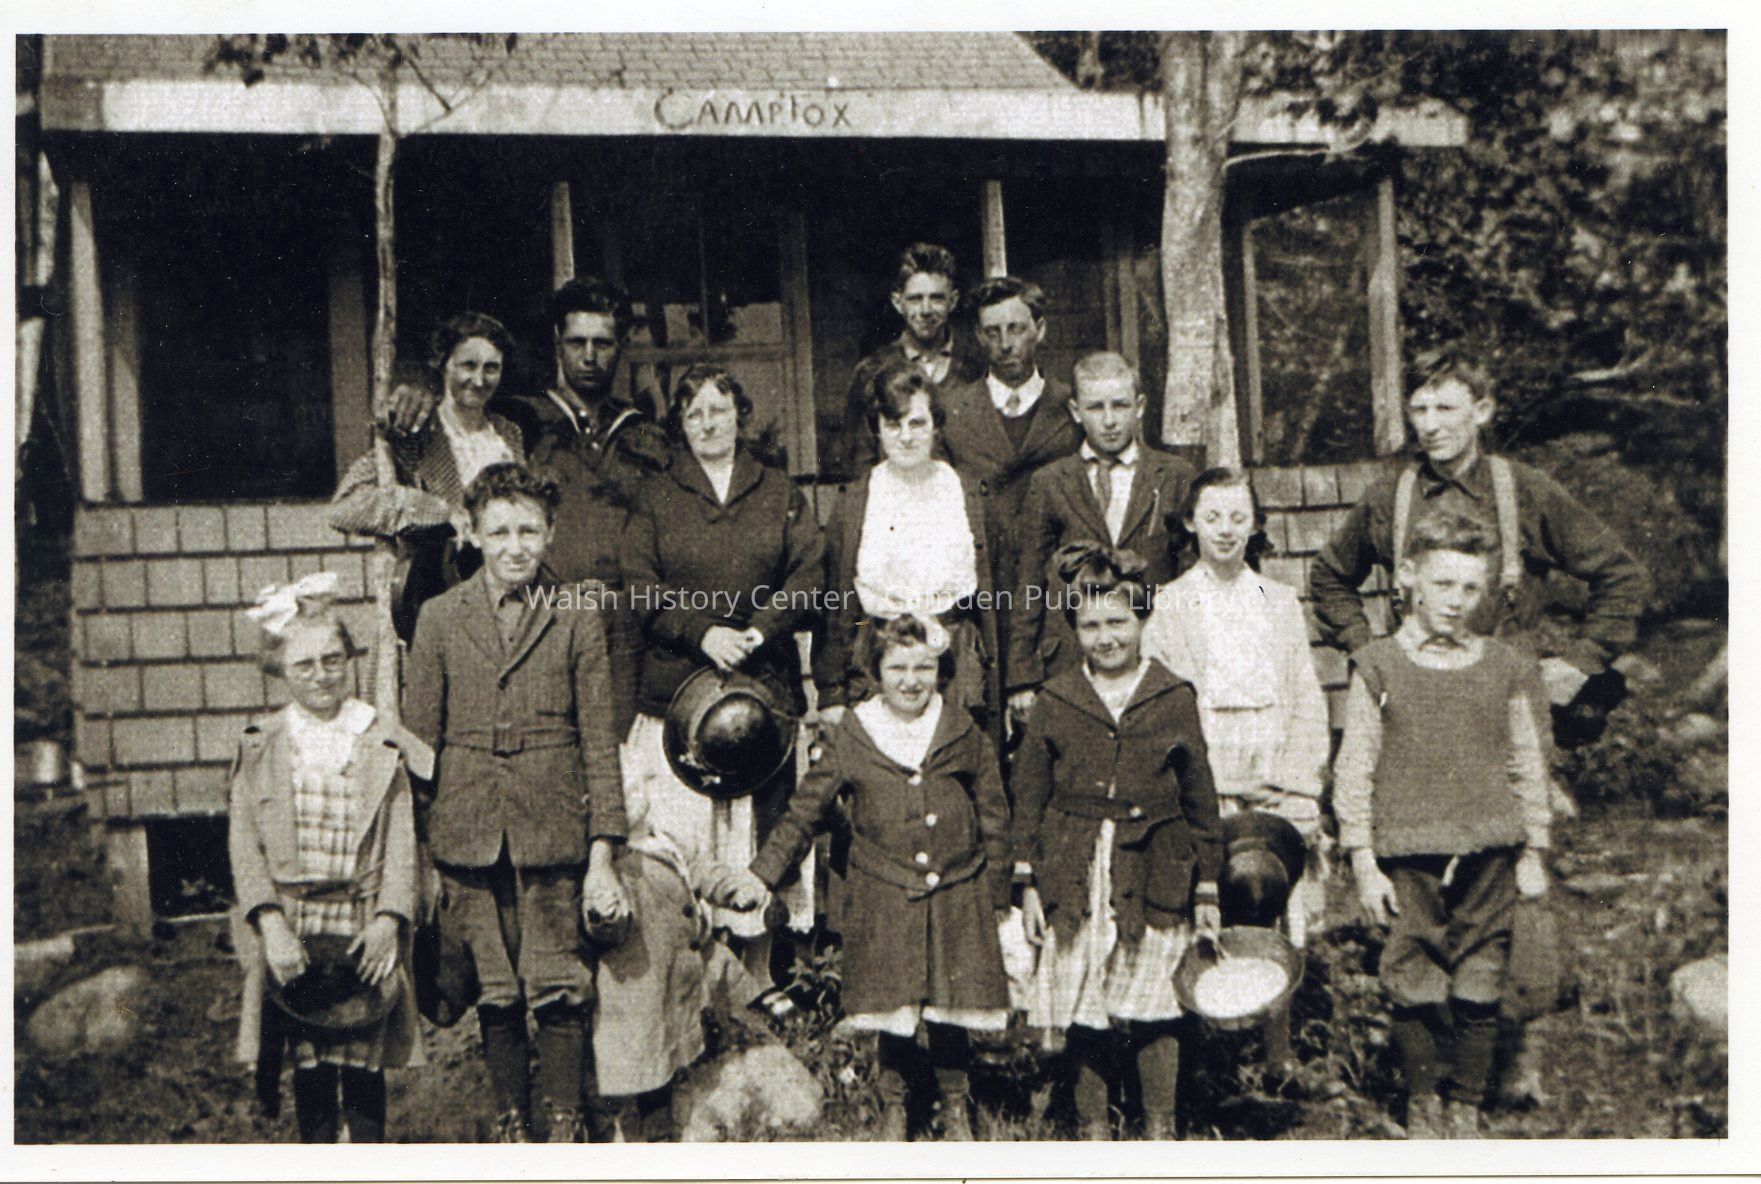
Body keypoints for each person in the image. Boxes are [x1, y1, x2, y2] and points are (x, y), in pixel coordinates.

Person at [1307, 349, 1647, 1103]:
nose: (1429, 425)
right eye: (1419, 409)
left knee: (1520, 892)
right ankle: (1426, 1068)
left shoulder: (1522, 491)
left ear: (1482, 411)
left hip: (1506, 718)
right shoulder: (1392, 496)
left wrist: (1580, 661)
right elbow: (1328, 577)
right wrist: (1365, 651)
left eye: (1446, 409)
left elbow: (1622, 575)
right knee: (1417, 903)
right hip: (1417, 726)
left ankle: (1517, 1061)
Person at [403, 463, 629, 1143]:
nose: (514, 546)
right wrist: (421, 853)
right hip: (467, 830)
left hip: (551, 828)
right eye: (499, 531)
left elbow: (599, 742)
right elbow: (420, 745)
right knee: (495, 987)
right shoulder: (439, 618)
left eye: (529, 530)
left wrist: (602, 853)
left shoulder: (576, 617)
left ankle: (562, 1119)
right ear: (472, 534)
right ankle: (511, 1122)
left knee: (559, 981)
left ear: (550, 533)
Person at [732, 613, 1012, 1141]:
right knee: (893, 1005)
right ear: (876, 672)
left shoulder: (962, 730)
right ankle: (895, 1108)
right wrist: (763, 874)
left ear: (941, 671)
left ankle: (956, 1107)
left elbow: (993, 813)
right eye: (897, 668)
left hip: (957, 887)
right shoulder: (856, 733)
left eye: (924, 668)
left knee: (953, 1004)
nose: (911, 680)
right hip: (884, 890)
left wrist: (997, 893)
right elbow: (805, 810)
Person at [1334, 507, 1554, 1139]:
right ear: (1409, 577)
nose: (1456, 600)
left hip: (1491, 848)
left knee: (1482, 971)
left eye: (1471, 587)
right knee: (1414, 972)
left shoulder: (1504, 664)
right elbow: (1356, 765)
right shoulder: (1378, 665)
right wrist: (1362, 858)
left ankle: (1466, 1102)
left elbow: (1525, 759)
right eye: (1443, 584)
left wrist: (1534, 848)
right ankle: (1424, 1100)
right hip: (1409, 852)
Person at [1011, 544, 1222, 1141]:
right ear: (1074, 629)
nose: (1106, 638)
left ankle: (1160, 1128)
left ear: (1142, 619)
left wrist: (1206, 886)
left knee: (1156, 999)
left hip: (1154, 865)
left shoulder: (1172, 697)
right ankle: (1093, 1128)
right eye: (1091, 626)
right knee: (1085, 1000)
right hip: (1077, 869)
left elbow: (1200, 798)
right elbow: (1028, 797)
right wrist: (1028, 883)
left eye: (1118, 622)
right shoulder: (1056, 700)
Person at [619, 363, 825, 972]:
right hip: (679, 695)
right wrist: (703, 633)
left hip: (763, 694)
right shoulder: (656, 496)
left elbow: (809, 572)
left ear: (740, 416)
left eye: (719, 410)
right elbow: (638, 582)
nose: (708, 423)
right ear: (681, 426)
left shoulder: (779, 492)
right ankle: (698, 984)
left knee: (757, 845)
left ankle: (758, 979)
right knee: (685, 844)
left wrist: (758, 632)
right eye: (694, 414)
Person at [1141, 466, 1331, 1073]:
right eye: (1213, 517)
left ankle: (1277, 1049)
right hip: (1208, 764)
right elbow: (1164, 707)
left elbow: (1305, 697)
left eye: (1238, 517)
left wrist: (1293, 780)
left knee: (1271, 893)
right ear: (1191, 523)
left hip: (1272, 759)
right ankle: (1206, 1053)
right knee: (1207, 894)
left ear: (1254, 525)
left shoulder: (1279, 602)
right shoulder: (1171, 605)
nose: (1225, 530)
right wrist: (1204, 782)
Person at [228, 571, 428, 1143]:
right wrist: (271, 925)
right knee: (310, 1069)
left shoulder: (375, 739)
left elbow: (401, 838)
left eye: (332, 660)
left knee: (363, 1067)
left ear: (349, 660)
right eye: (305, 665)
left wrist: (389, 919)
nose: (321, 675)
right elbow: (245, 842)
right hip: (294, 924)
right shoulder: (262, 745)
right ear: (281, 669)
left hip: (362, 924)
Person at [502, 277, 674, 742]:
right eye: (578, 343)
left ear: (621, 347)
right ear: (558, 342)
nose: (590, 356)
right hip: (546, 616)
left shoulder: (646, 435)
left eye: (603, 343)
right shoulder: (520, 424)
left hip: (628, 627)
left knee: (621, 752)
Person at [1006, 351, 1196, 725]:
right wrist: (1021, 678)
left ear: (1140, 407)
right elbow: (1029, 583)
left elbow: (1191, 579)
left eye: (1120, 405)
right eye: (1096, 407)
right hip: (1071, 657)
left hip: (1155, 654)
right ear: (1076, 411)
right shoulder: (1050, 482)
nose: (1109, 420)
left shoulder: (1174, 476)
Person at [817, 363, 999, 741]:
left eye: (917, 423)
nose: (905, 436)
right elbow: (835, 602)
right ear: (877, 428)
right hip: (876, 660)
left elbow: (997, 595)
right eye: (892, 424)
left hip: (954, 661)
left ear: (936, 425)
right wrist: (831, 692)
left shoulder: (967, 493)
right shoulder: (855, 501)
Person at [330, 312, 523, 641]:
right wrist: (437, 510)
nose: (479, 379)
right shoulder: (414, 432)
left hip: (506, 603)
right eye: (468, 365)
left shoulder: (509, 435)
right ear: (444, 364)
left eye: (491, 368)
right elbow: (345, 508)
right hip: (435, 600)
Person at [938, 276, 1083, 700]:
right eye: (992, 332)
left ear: (1040, 329)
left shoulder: (1072, 410)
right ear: (978, 337)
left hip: (1052, 589)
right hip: (983, 588)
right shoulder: (953, 412)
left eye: (1016, 328)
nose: (1005, 344)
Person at [838, 242, 986, 475]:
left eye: (937, 298)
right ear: (898, 303)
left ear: (953, 301)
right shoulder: (872, 371)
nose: (926, 310)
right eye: (915, 299)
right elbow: (858, 463)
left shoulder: (977, 367)